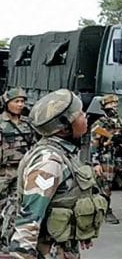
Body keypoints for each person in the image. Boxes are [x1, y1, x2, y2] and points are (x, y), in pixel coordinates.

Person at [7, 89, 107, 259]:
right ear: (64, 128)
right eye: (80, 114)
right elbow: (28, 221)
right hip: (49, 252)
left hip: (61, 247)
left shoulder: (64, 153)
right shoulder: (49, 161)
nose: (85, 117)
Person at [90, 94, 122, 224]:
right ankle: (106, 211)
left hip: (121, 156)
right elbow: (94, 145)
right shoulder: (99, 124)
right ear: (104, 107)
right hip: (106, 158)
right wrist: (96, 163)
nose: (114, 107)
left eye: (115, 104)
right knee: (106, 186)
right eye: (110, 104)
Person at [0, 89, 36, 248]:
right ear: (7, 103)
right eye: (16, 101)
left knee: (16, 207)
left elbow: (35, 145)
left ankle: (6, 239)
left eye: (22, 101)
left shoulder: (28, 123)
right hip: (2, 172)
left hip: (21, 171)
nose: (20, 104)